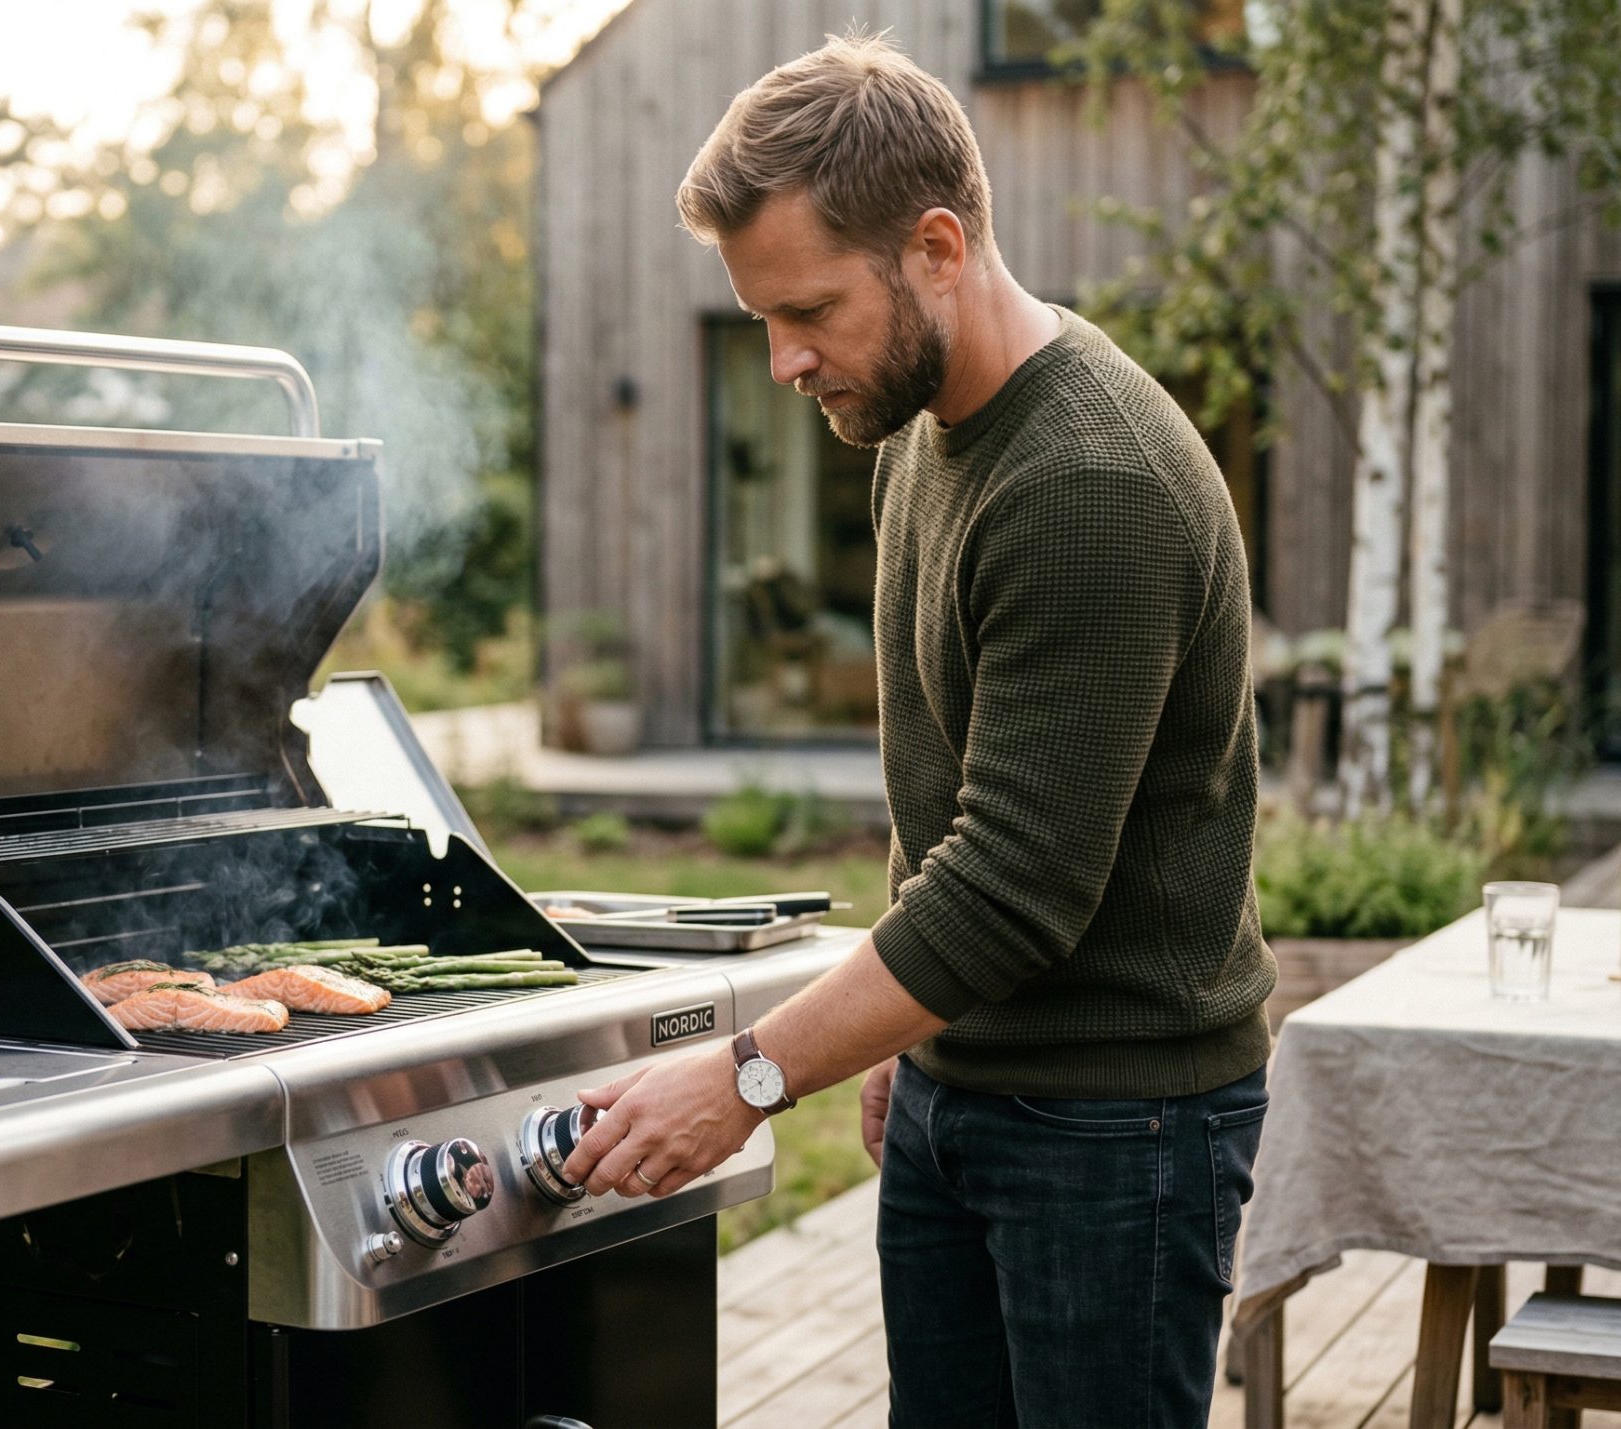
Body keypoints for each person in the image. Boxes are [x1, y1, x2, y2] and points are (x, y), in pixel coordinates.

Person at [555, 31, 1277, 1427]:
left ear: (937, 247)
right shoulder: (917, 434)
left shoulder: (1085, 484)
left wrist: (750, 1073)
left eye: (808, 309)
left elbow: (1016, 886)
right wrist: (903, 1027)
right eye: (761, 318)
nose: (780, 361)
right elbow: (945, 787)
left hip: (1115, 1125)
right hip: (963, 1085)